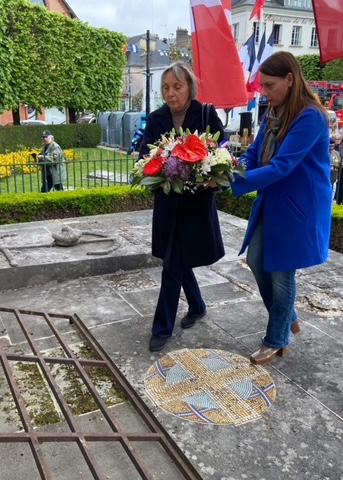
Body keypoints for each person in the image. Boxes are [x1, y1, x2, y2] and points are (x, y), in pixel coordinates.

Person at [230, 51, 333, 365]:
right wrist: (237, 168)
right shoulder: (272, 113)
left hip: (299, 208)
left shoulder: (311, 116)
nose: (264, 91)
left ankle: (276, 340)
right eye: (262, 85)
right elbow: (254, 153)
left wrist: (231, 182)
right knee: (257, 261)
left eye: (269, 85)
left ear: (290, 80)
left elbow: (282, 166)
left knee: (281, 273)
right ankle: (289, 317)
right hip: (274, 202)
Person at [138, 61, 225, 352]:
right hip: (167, 201)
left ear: (189, 86)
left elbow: (221, 153)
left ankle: (162, 327)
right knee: (176, 257)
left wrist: (208, 172)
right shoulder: (156, 118)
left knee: (174, 261)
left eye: (177, 86)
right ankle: (197, 305)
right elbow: (144, 155)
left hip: (196, 202)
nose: (171, 93)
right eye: (166, 87)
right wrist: (160, 164)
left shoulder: (206, 113)